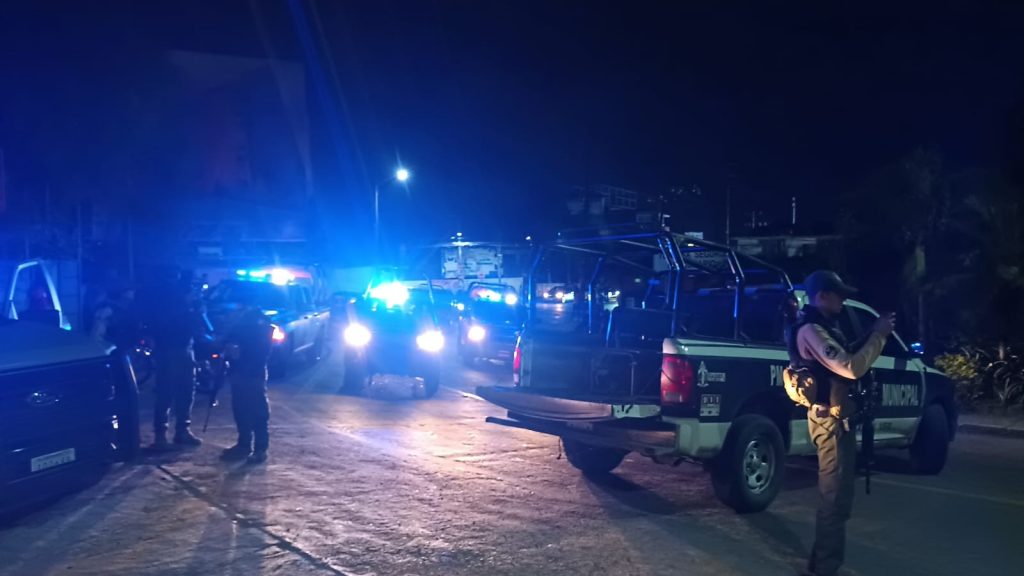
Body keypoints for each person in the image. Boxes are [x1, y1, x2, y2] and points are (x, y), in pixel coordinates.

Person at [787, 270, 895, 576]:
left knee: (838, 496)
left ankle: (822, 562)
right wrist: (878, 335)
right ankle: (825, 568)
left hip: (835, 419)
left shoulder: (823, 327)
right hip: (829, 422)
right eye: (839, 295)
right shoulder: (811, 329)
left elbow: (845, 356)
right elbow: (849, 367)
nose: (843, 301)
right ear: (822, 296)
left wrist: (872, 333)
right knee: (834, 499)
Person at [150, 279, 206, 449]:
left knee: (179, 392)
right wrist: (198, 312)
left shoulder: (166, 308)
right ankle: (168, 433)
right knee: (174, 392)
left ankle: (173, 432)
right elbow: (198, 329)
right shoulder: (182, 310)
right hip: (176, 352)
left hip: (176, 352)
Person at [220, 304, 273, 464]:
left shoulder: (256, 327)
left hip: (251, 373)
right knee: (241, 409)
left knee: (257, 411)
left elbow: (259, 352)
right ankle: (245, 444)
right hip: (242, 372)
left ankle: (259, 448)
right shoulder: (244, 326)